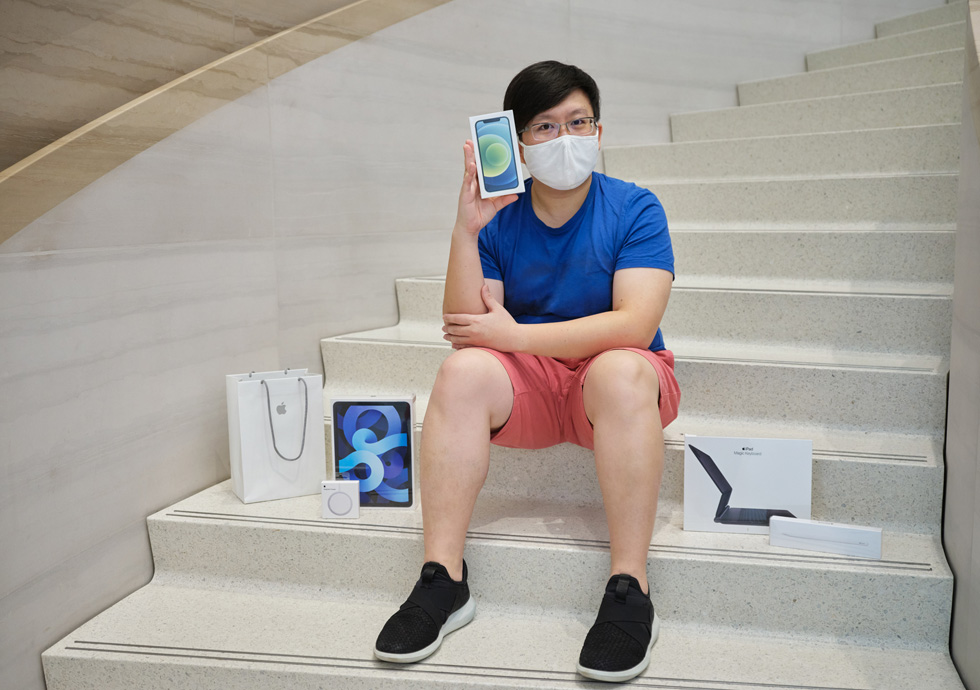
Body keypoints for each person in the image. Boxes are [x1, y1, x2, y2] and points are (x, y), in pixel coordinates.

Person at [373, 60, 680, 683]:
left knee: (621, 368)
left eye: (578, 122)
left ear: (599, 130)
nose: (565, 138)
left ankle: (630, 586)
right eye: (545, 126)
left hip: (621, 384)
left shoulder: (636, 207)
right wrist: (467, 229)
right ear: (516, 143)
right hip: (535, 387)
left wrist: (516, 334)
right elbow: (463, 326)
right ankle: (444, 580)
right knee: (461, 375)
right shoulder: (501, 216)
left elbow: (634, 324)